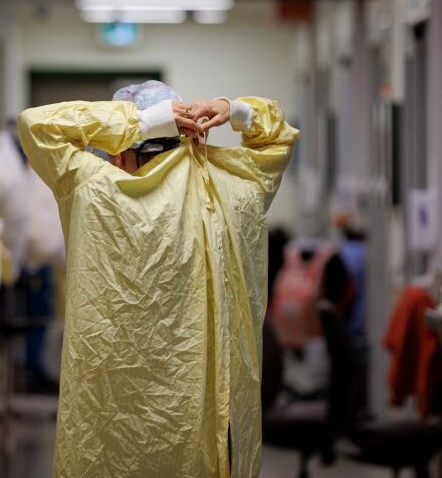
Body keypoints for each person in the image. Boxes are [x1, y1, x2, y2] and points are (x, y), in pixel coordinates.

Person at [18, 80, 299, 477]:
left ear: (118, 153)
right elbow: (277, 137)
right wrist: (232, 109)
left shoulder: (96, 190)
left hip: (111, 430)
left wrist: (141, 123)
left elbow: (36, 125)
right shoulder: (233, 193)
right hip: (206, 434)